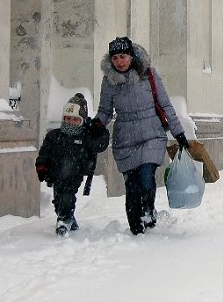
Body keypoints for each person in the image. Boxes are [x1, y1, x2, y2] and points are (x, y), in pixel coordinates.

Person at [92, 36, 190, 235]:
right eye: (115, 58)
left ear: (131, 56)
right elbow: (105, 110)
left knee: (146, 177)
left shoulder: (149, 74)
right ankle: (136, 228)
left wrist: (179, 132)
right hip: (125, 139)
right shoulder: (109, 81)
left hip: (151, 135)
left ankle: (148, 212)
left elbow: (165, 104)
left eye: (123, 56)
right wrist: (95, 125)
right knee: (132, 186)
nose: (119, 62)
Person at [35, 93, 109, 236]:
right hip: (56, 174)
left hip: (75, 174)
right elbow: (44, 153)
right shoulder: (54, 136)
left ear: (81, 121)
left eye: (75, 119)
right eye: (68, 119)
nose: (71, 122)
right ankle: (69, 219)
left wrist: (99, 129)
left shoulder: (85, 136)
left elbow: (100, 145)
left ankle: (64, 221)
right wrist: (41, 166)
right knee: (58, 201)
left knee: (67, 196)